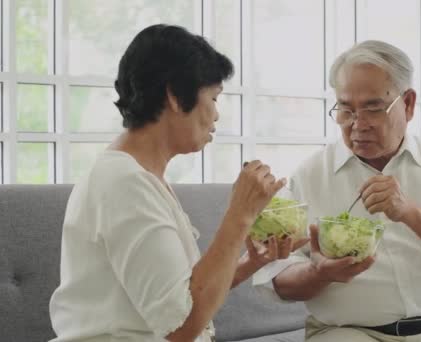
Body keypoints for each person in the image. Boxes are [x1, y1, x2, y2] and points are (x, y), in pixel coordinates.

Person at [49, 24, 306, 342]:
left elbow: (179, 294)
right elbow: (180, 325)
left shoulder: (139, 176)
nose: (216, 115)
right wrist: (240, 216)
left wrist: (251, 262)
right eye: (213, 97)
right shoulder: (124, 185)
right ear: (174, 95)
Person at [253, 40, 421, 341]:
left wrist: (411, 213)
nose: (358, 125)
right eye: (345, 110)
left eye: (373, 108)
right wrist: (321, 274)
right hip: (349, 333)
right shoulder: (308, 177)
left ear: (408, 104)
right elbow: (276, 279)